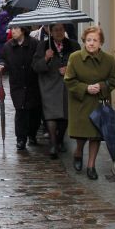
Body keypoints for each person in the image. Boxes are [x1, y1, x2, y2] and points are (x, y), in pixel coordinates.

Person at [64, 26, 115, 180]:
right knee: (81, 136)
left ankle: (91, 166)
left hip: (98, 103)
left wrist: (101, 87)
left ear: (100, 43)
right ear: (84, 41)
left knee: (95, 136)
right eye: (89, 40)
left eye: (95, 40)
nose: (91, 43)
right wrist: (86, 88)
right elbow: (69, 81)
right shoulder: (75, 58)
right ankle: (78, 152)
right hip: (80, 103)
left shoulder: (108, 60)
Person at [32, 23, 81, 159]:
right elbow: (35, 66)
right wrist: (46, 58)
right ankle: (53, 144)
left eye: (61, 29)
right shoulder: (43, 46)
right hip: (49, 85)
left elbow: (80, 64)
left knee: (65, 114)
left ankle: (60, 140)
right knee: (51, 114)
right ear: (50, 32)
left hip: (67, 85)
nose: (59, 32)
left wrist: (68, 69)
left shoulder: (73, 45)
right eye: (56, 30)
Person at [0, 25, 41, 151]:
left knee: (34, 111)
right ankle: (20, 139)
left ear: (23, 30)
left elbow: (39, 61)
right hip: (17, 84)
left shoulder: (35, 44)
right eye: (11, 28)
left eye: (16, 28)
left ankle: (32, 134)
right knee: (20, 111)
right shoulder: (8, 46)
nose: (13, 31)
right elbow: (3, 59)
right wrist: (1, 65)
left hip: (33, 83)